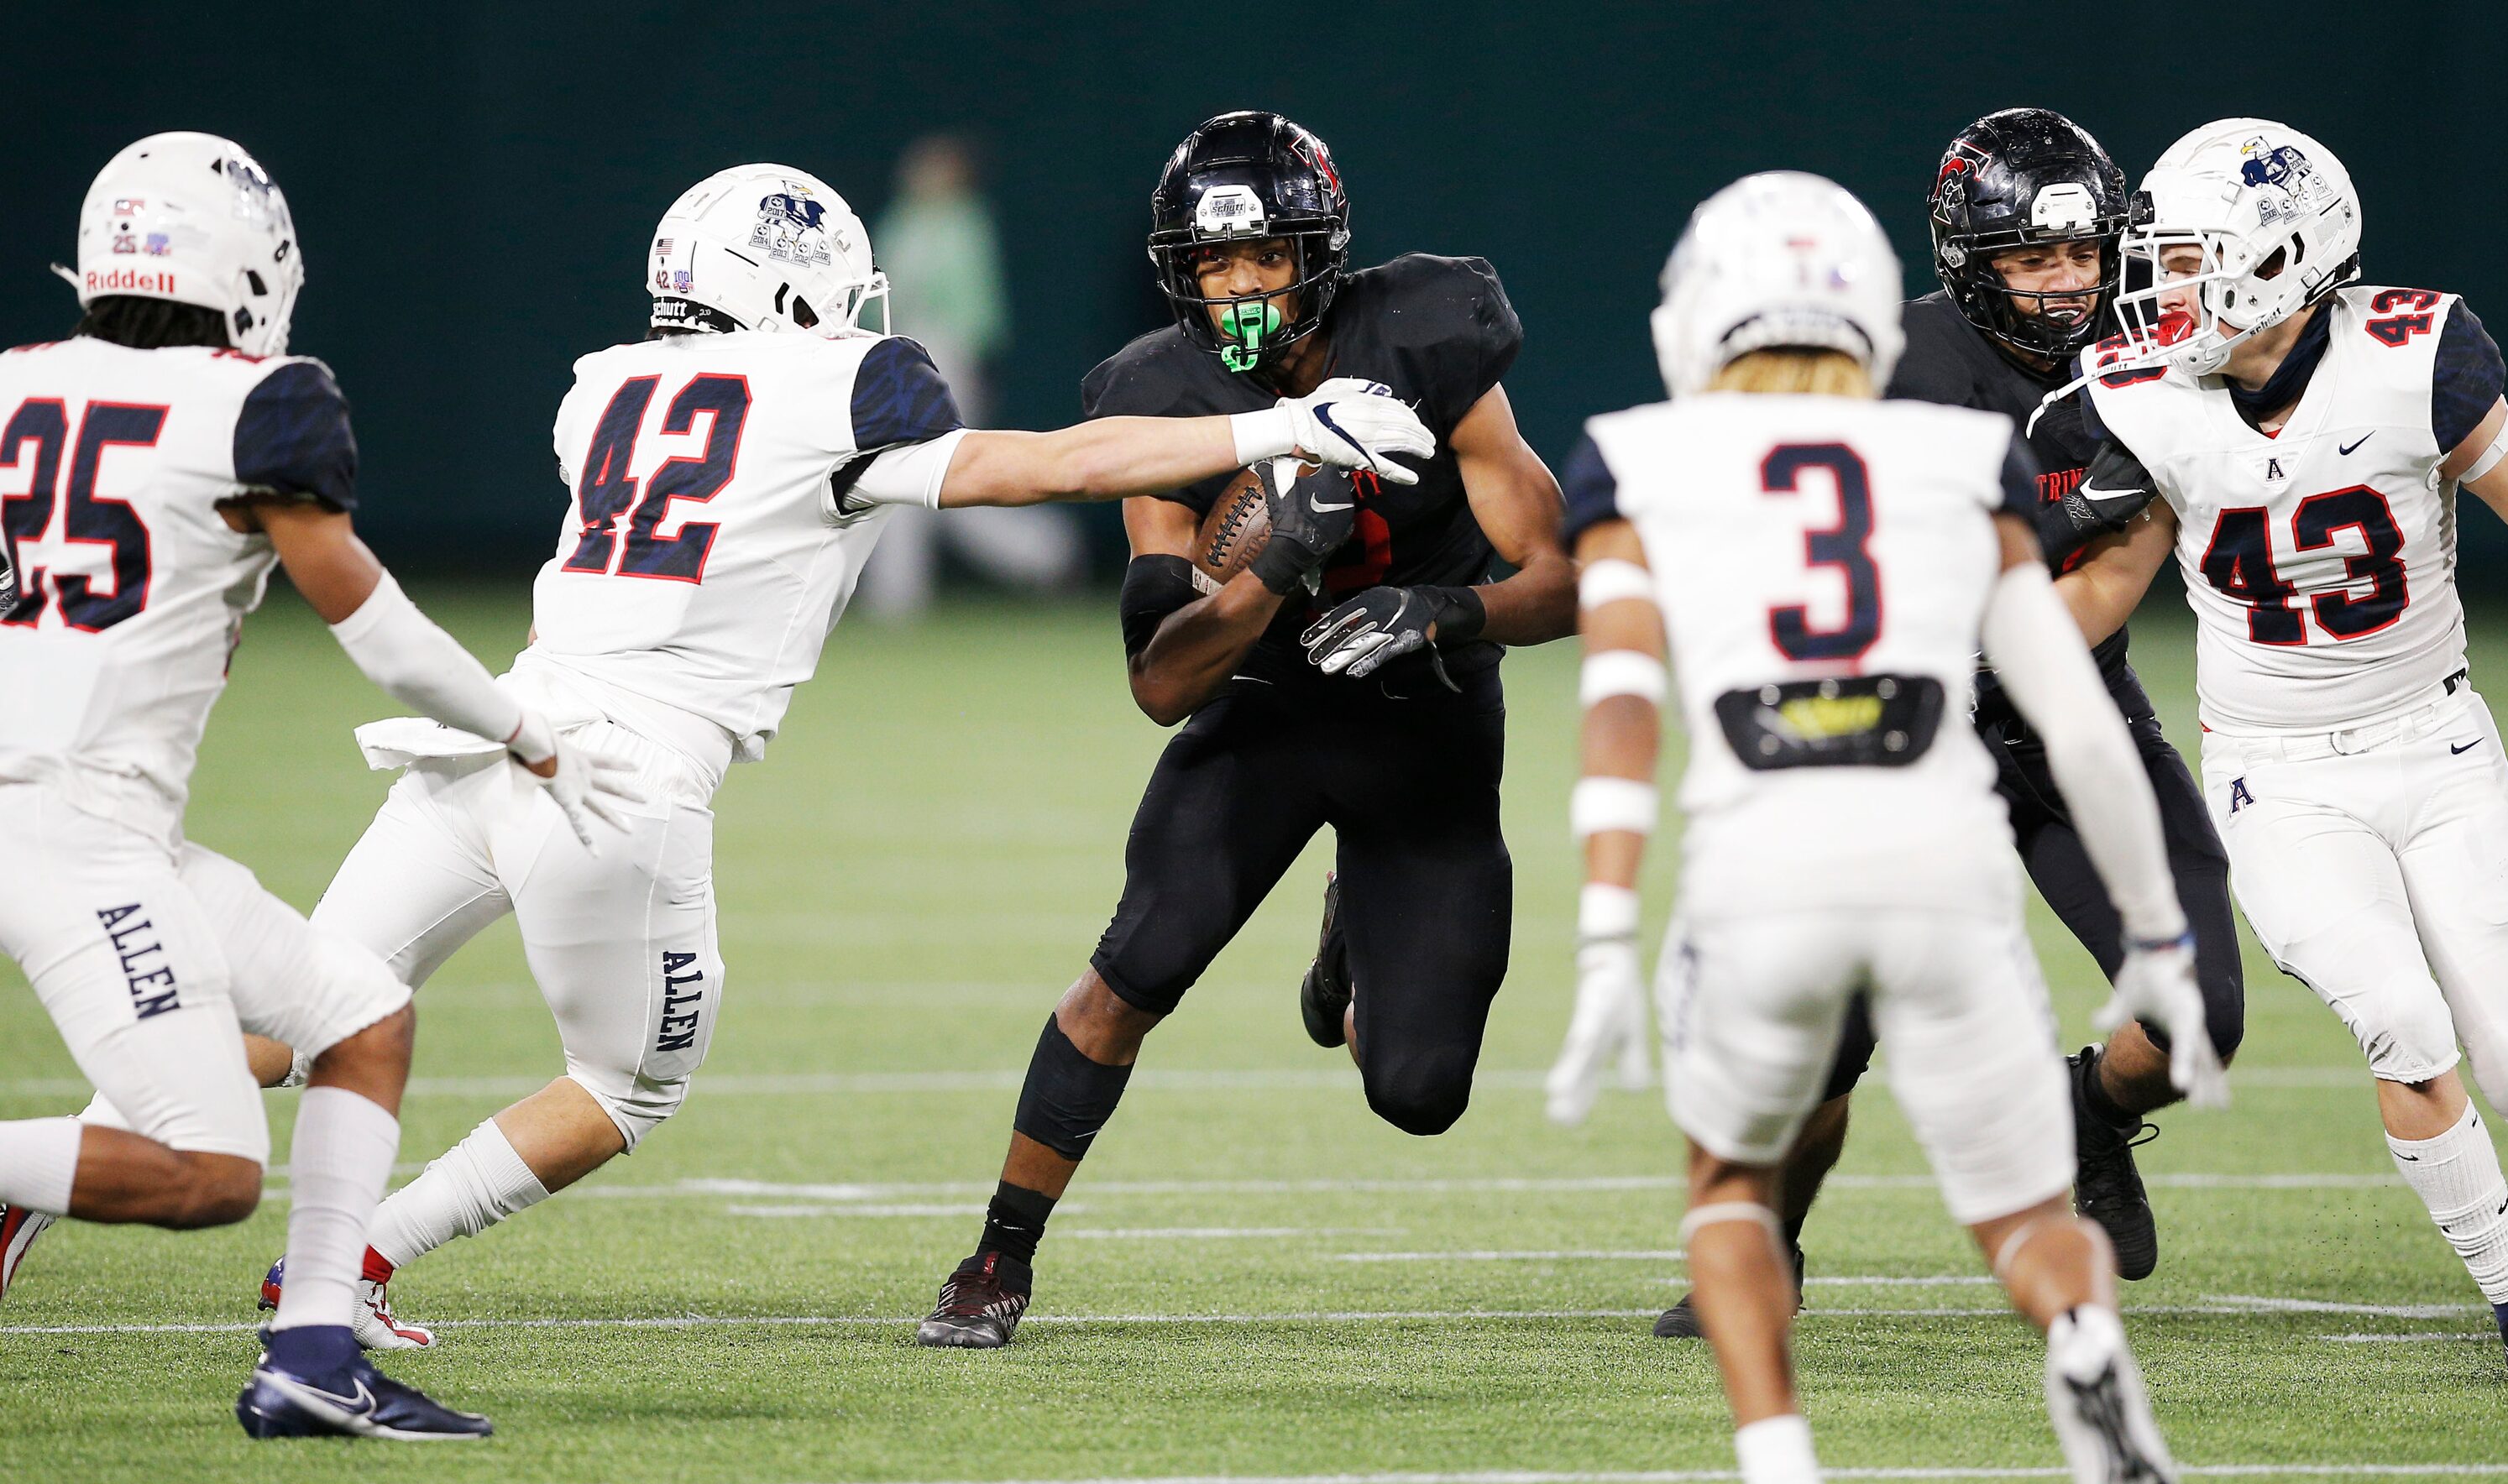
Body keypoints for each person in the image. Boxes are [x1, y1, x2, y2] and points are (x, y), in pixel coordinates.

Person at [228, 161, 1434, 1350]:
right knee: (622, 1085)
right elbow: (1050, 461)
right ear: (789, 290)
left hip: (493, 731)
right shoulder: (839, 381)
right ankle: (351, 1260)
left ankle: (53, 1167)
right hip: (620, 778)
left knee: (297, 1015)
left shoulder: (601, 386)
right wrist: (1280, 422)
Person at [1558, 171, 2222, 1484]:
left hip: (1766, 869)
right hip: (1946, 858)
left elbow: (1619, 704)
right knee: (2030, 1215)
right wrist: (2155, 931)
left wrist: (1608, 925)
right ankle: (2085, 1342)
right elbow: (2082, 723)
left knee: (1729, 1183)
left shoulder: (1640, 454)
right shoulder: (1953, 459)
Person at [0, 133, 638, 1439]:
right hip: (75, 825)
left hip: (87, 814)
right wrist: (525, 730)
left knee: (360, 1013)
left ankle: (310, 1357)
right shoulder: (257, 403)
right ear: (247, 267)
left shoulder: (15, 382)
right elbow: (376, 627)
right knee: (209, 1168)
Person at [914, 111, 1573, 1350]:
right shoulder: (1159, 399)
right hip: (1263, 720)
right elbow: (1162, 682)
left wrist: (1438, 610)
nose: (1239, 288)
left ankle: (1350, 949)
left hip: (1425, 723)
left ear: (1316, 250)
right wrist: (1277, 562)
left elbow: (1565, 579)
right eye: (1214, 266)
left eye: (1262, 258)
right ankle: (998, 1253)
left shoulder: (1426, 334)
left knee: (1420, 1093)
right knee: (1132, 973)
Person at [2052, 119, 2508, 1388]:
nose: (2157, 288)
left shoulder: (2415, 359)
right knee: (2398, 1019)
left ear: (2280, 258)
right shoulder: (2145, 392)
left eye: (2184, 260)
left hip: (2435, 743)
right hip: (2273, 772)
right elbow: (2109, 581)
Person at [856, 133, 1083, 615]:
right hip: (895, 354)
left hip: (945, 357)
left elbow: (979, 308)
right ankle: (1047, 556)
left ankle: (1047, 554)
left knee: (940, 476)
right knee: (923, 482)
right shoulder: (901, 221)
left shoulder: (964, 224)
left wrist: (972, 367)